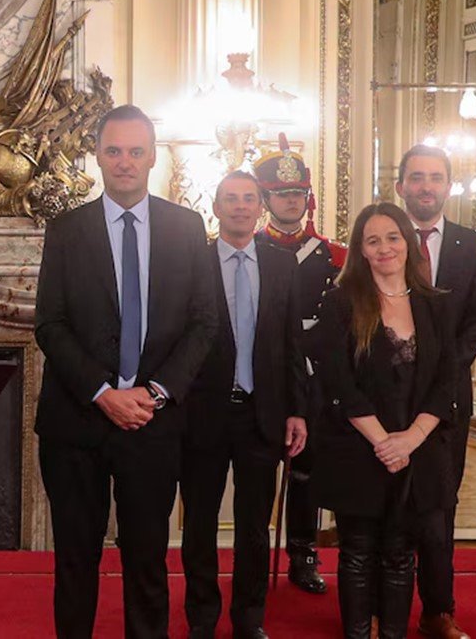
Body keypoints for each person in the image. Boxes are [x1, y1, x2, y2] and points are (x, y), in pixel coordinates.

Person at [35, 105, 218, 638]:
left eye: (136, 151)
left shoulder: (186, 228)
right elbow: (51, 324)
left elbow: (204, 323)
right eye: (113, 151)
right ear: (97, 156)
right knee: (75, 561)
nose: (124, 162)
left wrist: (153, 394)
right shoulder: (66, 229)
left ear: (153, 157)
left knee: (146, 561)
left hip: (152, 424)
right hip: (76, 424)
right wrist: (102, 392)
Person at [312, 202, 458, 639]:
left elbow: (447, 381)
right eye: (372, 240)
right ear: (360, 248)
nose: (384, 248)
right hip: (360, 447)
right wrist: (384, 443)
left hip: (419, 451)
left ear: (407, 242)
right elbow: (338, 382)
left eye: (392, 237)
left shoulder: (436, 305)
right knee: (357, 552)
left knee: (400, 553)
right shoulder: (341, 302)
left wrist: (410, 440)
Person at [181, 171, 308, 639]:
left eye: (248, 199)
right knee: (199, 523)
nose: (239, 206)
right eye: (230, 199)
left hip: (263, 415)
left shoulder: (282, 264)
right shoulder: (193, 262)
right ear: (215, 208)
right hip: (203, 414)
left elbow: (293, 342)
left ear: (261, 207)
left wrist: (297, 410)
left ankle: (249, 618)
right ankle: (202, 617)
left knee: (255, 526)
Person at [394, 145, 476, 639]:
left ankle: (438, 612)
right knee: (385, 512)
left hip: (447, 405)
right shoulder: (383, 240)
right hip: (388, 401)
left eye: (435, 177)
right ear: (400, 186)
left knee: (437, 513)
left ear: (447, 186)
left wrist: (440, 376)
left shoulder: (470, 245)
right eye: (416, 177)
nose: (425, 186)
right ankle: (377, 611)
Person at [252, 133, 346, 595]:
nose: (290, 201)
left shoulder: (336, 256)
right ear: (265, 198)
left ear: (306, 198)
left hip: (315, 376)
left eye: (296, 193)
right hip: (262, 373)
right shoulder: (246, 250)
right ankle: (252, 552)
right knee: (257, 465)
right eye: (280, 194)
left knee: (306, 467)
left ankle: (304, 551)